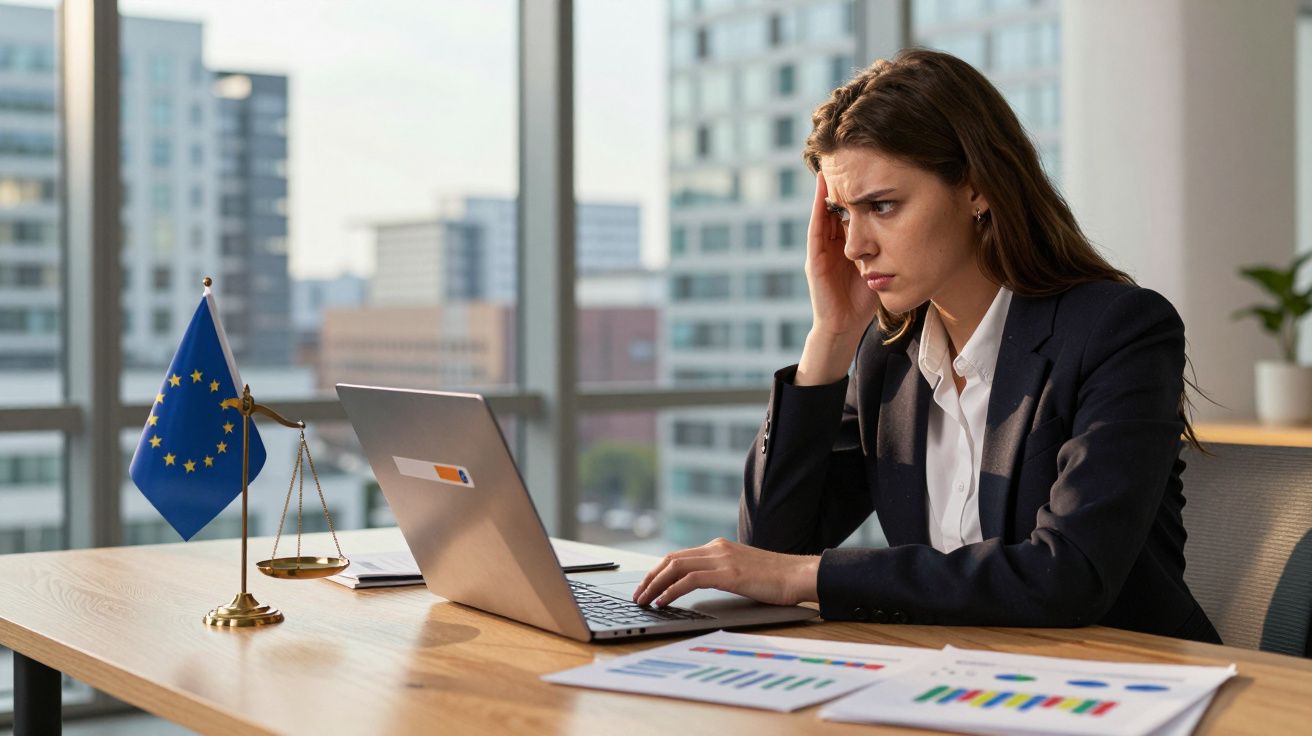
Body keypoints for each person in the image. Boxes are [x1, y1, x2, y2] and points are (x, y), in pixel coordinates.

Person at [632, 48, 1221, 644]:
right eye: (841, 213)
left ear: (977, 189)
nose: (855, 245)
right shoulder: (890, 359)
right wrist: (831, 337)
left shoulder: (1119, 330)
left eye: (881, 206)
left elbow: (1067, 574)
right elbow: (770, 550)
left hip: (1129, 685)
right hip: (959, 676)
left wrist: (807, 577)